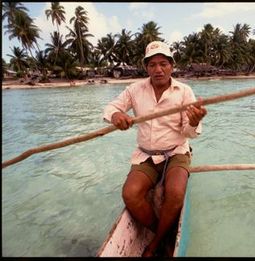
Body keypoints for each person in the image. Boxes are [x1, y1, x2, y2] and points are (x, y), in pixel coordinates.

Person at [103, 41, 207, 257]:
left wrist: (195, 121)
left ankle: (155, 242)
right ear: (146, 68)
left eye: (163, 64)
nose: (158, 69)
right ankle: (163, 234)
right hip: (147, 155)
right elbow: (111, 107)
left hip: (176, 152)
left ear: (171, 66)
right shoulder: (135, 89)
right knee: (130, 194)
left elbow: (188, 133)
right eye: (152, 65)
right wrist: (116, 116)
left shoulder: (184, 91)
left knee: (176, 193)